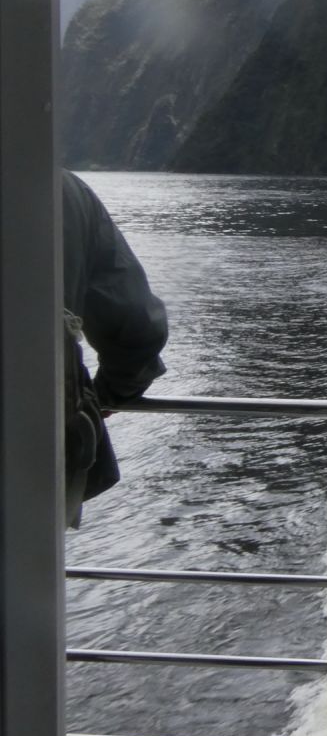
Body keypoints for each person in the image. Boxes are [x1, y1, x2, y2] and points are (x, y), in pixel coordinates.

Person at [61, 170, 168, 527]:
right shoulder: (64, 191)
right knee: (28, 564)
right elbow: (136, 324)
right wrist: (106, 394)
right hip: (49, 434)